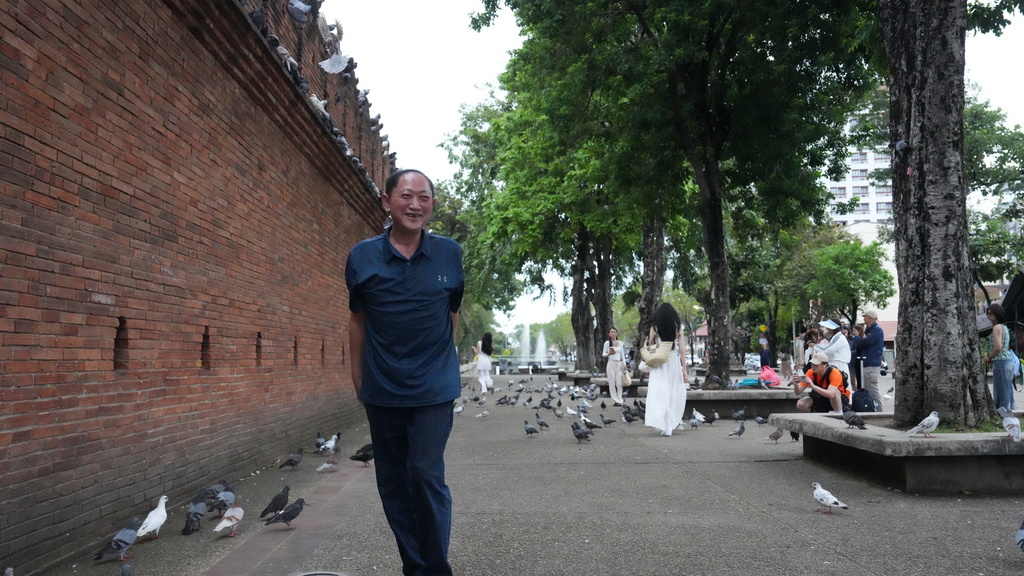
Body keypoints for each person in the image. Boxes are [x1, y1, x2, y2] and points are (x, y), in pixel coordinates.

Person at [346, 168, 463, 576]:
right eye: (406, 196)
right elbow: (358, 320)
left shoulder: (449, 253)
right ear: (387, 201)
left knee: (425, 473)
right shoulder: (362, 257)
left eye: (424, 197)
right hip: (383, 388)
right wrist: (358, 378)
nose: (415, 205)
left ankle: (436, 568)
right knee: (393, 482)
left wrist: (440, 362)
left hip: (434, 389)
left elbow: (451, 312)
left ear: (432, 204)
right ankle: (414, 566)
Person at [644, 303, 688, 436]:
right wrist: (684, 369)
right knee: (673, 391)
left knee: (660, 392)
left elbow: (649, 346)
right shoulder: (678, 327)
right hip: (673, 360)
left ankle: (664, 424)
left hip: (660, 361)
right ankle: (670, 424)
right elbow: (682, 349)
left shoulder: (655, 328)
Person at [985, 303, 1016, 411]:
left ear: (997, 314)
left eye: (990, 314)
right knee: (1007, 389)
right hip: (1007, 361)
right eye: (987, 314)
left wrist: (989, 357)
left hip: (1001, 362)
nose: (988, 316)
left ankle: (1003, 411)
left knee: (1001, 390)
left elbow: (998, 346)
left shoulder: (997, 328)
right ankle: (1008, 410)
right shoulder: (1004, 327)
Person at [860, 309, 885, 408]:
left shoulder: (876, 330)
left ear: (870, 318)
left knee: (872, 388)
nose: (864, 318)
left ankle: (879, 409)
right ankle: (872, 408)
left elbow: (867, 342)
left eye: (865, 316)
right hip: (869, 362)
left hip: (872, 363)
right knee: (868, 388)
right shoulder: (870, 330)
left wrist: (858, 339)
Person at [602, 327, 626, 406]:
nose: (613, 334)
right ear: (609, 334)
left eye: (614, 332)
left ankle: (620, 399)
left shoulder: (620, 343)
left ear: (617, 333)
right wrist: (609, 353)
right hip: (611, 363)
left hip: (619, 363)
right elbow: (603, 354)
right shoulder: (607, 343)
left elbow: (622, 354)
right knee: (612, 382)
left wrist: (624, 364)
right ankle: (615, 400)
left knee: (619, 383)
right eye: (611, 332)